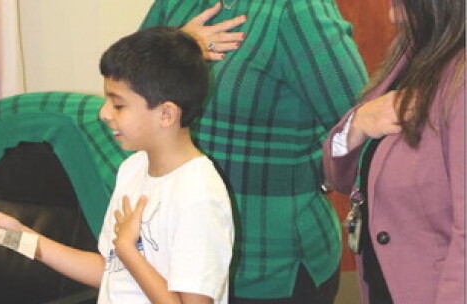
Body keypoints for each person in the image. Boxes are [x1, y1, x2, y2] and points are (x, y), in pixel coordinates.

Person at [0, 26, 234, 304]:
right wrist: (20, 237)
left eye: (118, 105)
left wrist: (128, 250)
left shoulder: (198, 194)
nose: (104, 113)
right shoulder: (133, 169)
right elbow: (111, 271)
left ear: (166, 114)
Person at [139, 1, 369, 303]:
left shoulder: (297, 10)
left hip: (266, 266)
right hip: (176, 257)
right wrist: (177, 50)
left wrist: (321, 178)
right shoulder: (175, 5)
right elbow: (129, 96)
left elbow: (361, 128)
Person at [322, 0, 465, 303]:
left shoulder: (460, 79)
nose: (389, 7)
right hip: (386, 284)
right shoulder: (412, 48)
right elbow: (342, 176)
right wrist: (359, 123)